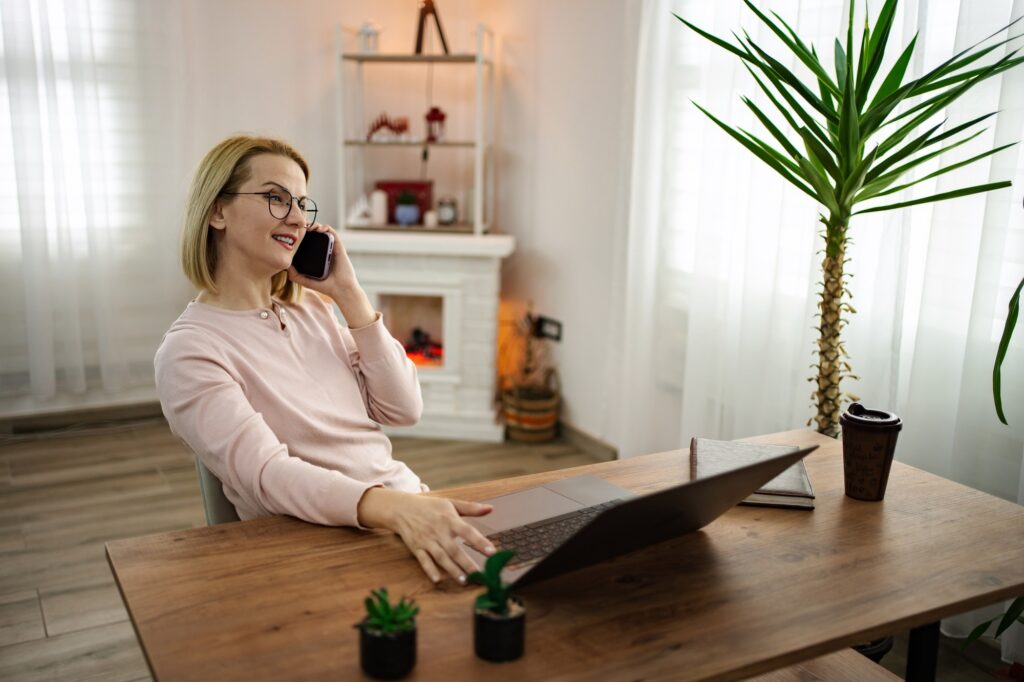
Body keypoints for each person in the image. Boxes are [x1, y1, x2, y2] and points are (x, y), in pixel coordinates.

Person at [155, 134, 496, 584]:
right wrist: (392, 508)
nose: (297, 218)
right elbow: (267, 476)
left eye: (302, 203)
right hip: (317, 548)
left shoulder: (314, 310)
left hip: (406, 511)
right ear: (217, 211)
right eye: (276, 198)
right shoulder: (190, 351)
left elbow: (403, 409)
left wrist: (350, 296)